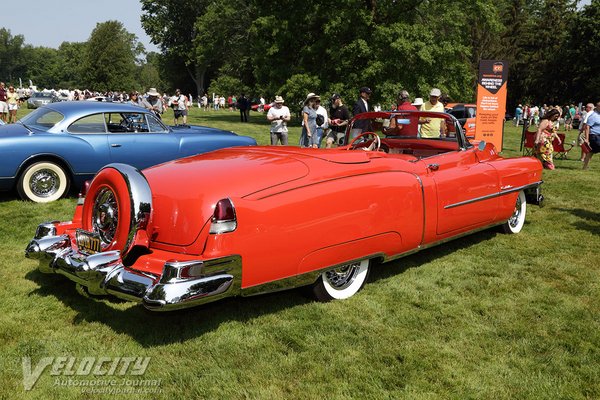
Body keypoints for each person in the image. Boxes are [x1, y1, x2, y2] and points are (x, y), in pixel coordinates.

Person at [582, 102, 600, 170]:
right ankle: (585, 167)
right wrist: (587, 139)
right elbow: (587, 127)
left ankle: (585, 167)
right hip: (594, 135)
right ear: (597, 107)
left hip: (598, 135)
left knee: (591, 151)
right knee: (592, 151)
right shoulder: (593, 115)